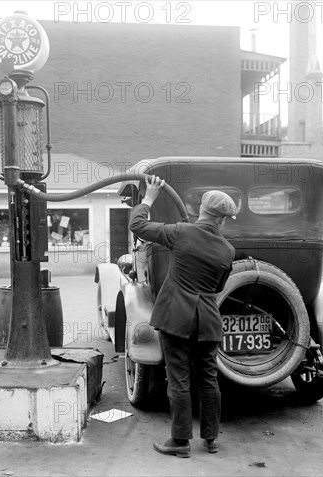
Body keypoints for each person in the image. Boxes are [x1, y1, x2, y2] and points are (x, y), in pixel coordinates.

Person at [129, 176, 236, 458]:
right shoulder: (228, 250)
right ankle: (211, 439)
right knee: (209, 380)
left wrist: (149, 198)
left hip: (176, 318)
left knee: (178, 379)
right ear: (223, 221)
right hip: (209, 321)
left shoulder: (181, 232)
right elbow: (218, 287)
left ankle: (180, 442)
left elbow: (137, 226)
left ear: (202, 211)